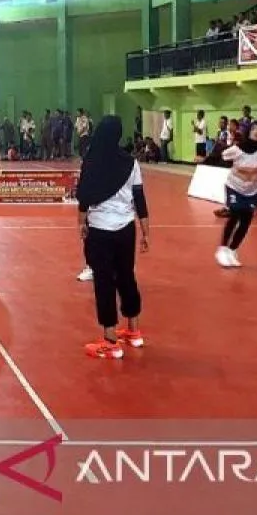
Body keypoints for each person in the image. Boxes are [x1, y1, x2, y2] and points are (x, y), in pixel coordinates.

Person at [76, 116, 149, 360]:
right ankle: (134, 331)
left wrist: (81, 223)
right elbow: (139, 198)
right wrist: (146, 232)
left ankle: (110, 341)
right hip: (127, 229)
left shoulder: (92, 160)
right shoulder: (131, 163)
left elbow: (84, 196)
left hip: (100, 229)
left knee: (104, 282)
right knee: (126, 276)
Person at [216, 121, 257, 268]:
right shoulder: (237, 149)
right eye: (254, 129)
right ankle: (222, 249)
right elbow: (222, 155)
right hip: (234, 186)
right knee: (235, 213)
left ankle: (232, 250)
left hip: (251, 190)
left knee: (246, 221)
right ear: (248, 132)